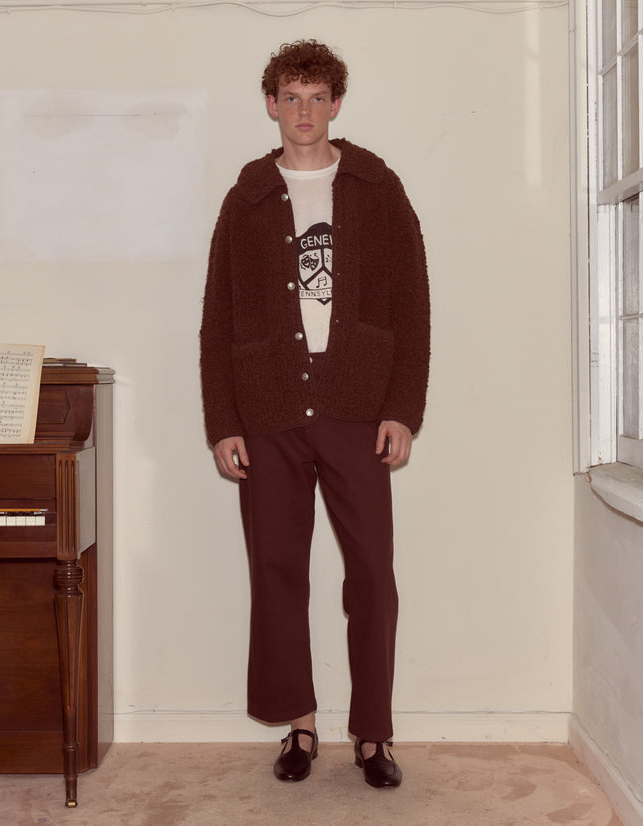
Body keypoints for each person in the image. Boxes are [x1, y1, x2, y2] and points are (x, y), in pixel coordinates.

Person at [200, 39, 430, 788]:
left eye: (317, 97)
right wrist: (223, 421)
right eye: (291, 97)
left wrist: (402, 408)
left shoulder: (376, 187)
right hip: (267, 406)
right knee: (276, 568)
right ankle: (299, 725)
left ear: (336, 104)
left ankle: (372, 734)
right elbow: (216, 319)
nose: (304, 111)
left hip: (356, 401)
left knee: (371, 575)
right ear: (272, 105)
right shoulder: (246, 198)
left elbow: (413, 305)